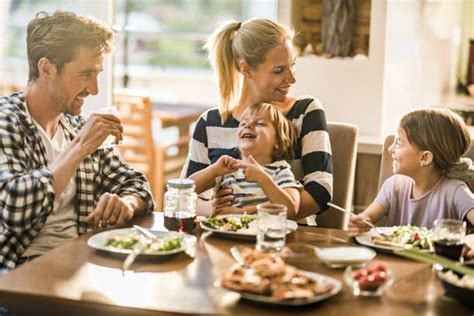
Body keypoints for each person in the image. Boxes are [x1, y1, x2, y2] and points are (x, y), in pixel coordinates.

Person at [0, 11, 154, 271]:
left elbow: (137, 185)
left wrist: (125, 204)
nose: (93, 89)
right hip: (19, 275)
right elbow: (14, 210)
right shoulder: (7, 122)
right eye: (85, 74)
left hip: (81, 261)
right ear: (46, 68)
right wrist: (80, 147)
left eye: (97, 75)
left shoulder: (76, 126)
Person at [183, 18, 333, 225]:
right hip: (225, 235)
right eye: (279, 70)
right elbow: (183, 194)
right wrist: (214, 209)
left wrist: (245, 212)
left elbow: (320, 192)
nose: (291, 78)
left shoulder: (306, 112)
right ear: (247, 70)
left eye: (292, 66)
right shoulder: (209, 123)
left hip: (287, 236)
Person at [349, 108, 474, 234]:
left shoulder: (455, 191)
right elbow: (367, 218)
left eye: (399, 143)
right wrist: (359, 223)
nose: (390, 149)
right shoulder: (393, 186)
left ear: (424, 158)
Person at [189, 102, 302, 217]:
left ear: (278, 141)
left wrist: (262, 179)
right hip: (226, 233)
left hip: (264, 234)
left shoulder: (280, 170)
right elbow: (187, 190)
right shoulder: (228, 170)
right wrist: (213, 170)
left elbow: (291, 209)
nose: (248, 126)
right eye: (243, 124)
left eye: (260, 123)